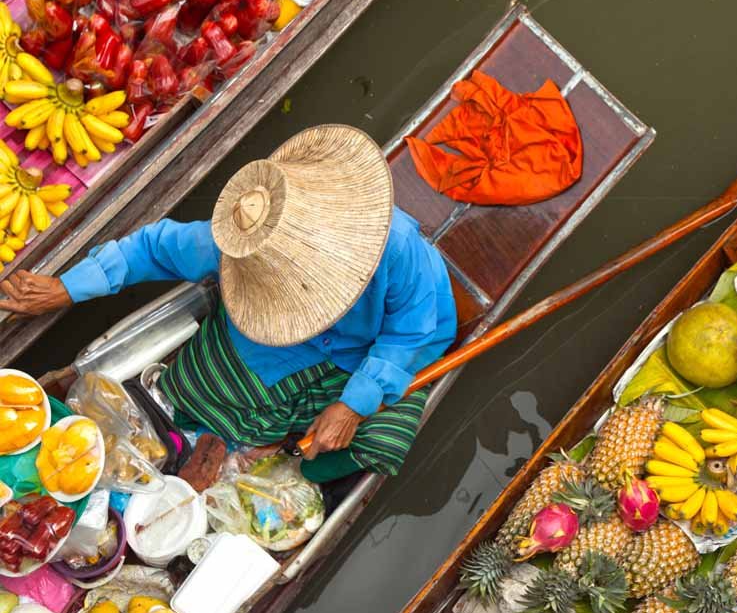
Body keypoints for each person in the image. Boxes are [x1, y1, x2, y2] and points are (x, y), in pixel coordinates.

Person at [0, 124, 456, 483]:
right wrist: (67, 288)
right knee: (198, 388)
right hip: (276, 332)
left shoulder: (394, 249)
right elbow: (151, 248)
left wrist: (355, 403)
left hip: (376, 346)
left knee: (377, 441)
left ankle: (287, 451)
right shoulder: (240, 245)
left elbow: (410, 333)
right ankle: (228, 439)